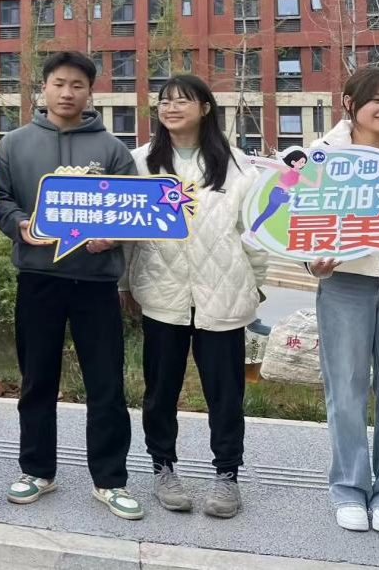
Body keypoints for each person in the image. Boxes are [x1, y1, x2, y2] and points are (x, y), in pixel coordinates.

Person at [0, 51, 141, 520]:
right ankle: (37, 470)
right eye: (59, 83)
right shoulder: (15, 144)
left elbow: (133, 209)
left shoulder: (112, 150)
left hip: (96, 281)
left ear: (90, 92)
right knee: (37, 379)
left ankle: (110, 479)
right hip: (38, 277)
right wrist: (18, 224)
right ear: (44, 87)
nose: (67, 93)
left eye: (77, 85)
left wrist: (113, 235)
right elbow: (0, 199)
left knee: (106, 383)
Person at [121, 74, 264, 518]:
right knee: (160, 391)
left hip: (224, 295)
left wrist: (257, 284)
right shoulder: (139, 162)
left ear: (205, 108)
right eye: (164, 101)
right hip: (162, 294)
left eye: (183, 100)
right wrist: (125, 284)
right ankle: (163, 467)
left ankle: (227, 476)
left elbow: (254, 232)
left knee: (225, 394)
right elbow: (126, 229)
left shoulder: (239, 166)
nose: (171, 107)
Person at [308, 66, 379, 534]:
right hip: (344, 284)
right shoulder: (320, 157)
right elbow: (298, 221)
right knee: (346, 390)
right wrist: (313, 264)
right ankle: (348, 488)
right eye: (377, 99)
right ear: (349, 103)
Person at [246, 149, 320, 233]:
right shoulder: (286, 169)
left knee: (266, 214)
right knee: (296, 199)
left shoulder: (299, 176)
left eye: (304, 162)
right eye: (301, 162)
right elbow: (269, 164)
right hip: (277, 193)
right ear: (293, 162)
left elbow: (315, 186)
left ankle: (252, 232)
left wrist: (319, 173)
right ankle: (294, 218)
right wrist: (253, 161)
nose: (303, 164)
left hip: (279, 195)